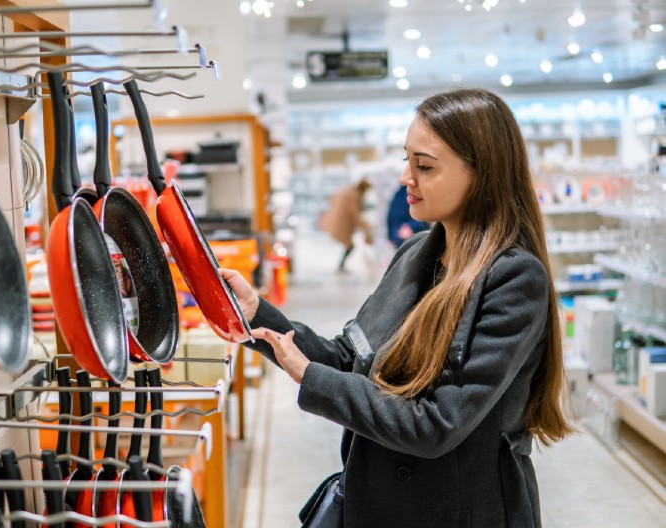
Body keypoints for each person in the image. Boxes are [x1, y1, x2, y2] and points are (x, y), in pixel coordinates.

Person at [220, 87, 573, 528]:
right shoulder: (415, 254)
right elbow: (349, 358)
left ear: (481, 174)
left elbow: (437, 424)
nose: (407, 177)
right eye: (408, 160)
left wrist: (311, 377)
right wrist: (255, 314)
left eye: (424, 166)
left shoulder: (513, 279)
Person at [318, 179, 373, 271]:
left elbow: (332, 198)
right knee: (349, 245)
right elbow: (355, 214)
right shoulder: (354, 195)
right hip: (340, 222)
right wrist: (366, 226)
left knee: (349, 245)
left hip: (335, 219)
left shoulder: (348, 190)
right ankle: (341, 266)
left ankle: (341, 265)